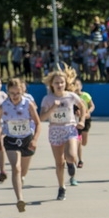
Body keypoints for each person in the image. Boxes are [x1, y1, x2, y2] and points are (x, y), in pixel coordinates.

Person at [0, 78, 40, 212]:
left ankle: (21, 180)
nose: (14, 96)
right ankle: (20, 199)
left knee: (22, 172)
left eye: (17, 93)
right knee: (16, 167)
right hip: (11, 139)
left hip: (27, 139)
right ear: (7, 92)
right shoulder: (4, 106)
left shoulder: (28, 104)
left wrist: (35, 139)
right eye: (12, 93)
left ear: (22, 91)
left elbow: (38, 123)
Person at [40, 67, 85, 200]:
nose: (59, 85)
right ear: (51, 84)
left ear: (66, 83)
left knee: (71, 156)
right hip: (55, 130)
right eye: (56, 83)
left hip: (69, 128)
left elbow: (82, 106)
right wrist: (52, 108)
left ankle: (71, 163)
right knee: (59, 162)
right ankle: (61, 187)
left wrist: (81, 120)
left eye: (62, 82)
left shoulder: (71, 96)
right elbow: (41, 117)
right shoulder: (47, 99)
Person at [73, 78, 95, 168]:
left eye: (78, 85)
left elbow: (92, 105)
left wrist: (88, 112)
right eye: (74, 85)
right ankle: (80, 160)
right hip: (75, 121)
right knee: (78, 140)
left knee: (83, 142)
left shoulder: (85, 96)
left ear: (81, 86)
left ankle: (77, 145)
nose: (76, 87)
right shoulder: (71, 96)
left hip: (85, 119)